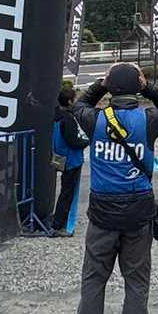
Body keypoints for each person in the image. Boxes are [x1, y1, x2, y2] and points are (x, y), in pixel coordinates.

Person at [62, 63, 158, 314]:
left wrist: (100, 85)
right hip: (138, 212)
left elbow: (79, 104)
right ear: (136, 88)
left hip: (102, 213)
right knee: (136, 284)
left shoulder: (95, 120)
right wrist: (147, 87)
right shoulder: (148, 121)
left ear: (110, 88)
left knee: (93, 283)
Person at [52, 87, 91, 234]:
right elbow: (73, 142)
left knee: (65, 190)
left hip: (60, 156)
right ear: (69, 101)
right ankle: (60, 225)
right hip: (71, 159)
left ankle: (59, 221)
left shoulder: (56, 115)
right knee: (68, 193)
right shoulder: (68, 119)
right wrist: (87, 141)